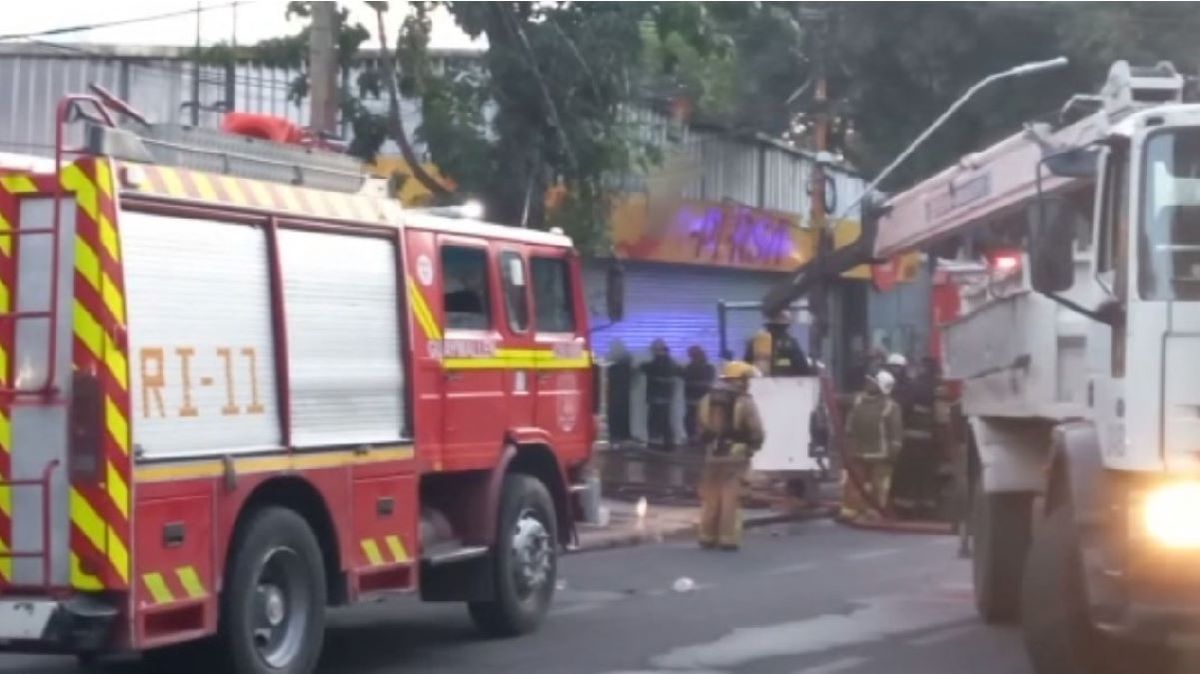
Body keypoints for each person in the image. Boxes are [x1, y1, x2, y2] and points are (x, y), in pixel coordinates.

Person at [696, 361, 765, 550]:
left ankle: (707, 536)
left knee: (711, 497)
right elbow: (756, 431)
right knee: (730, 498)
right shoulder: (744, 401)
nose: (748, 383)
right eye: (747, 380)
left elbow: (700, 429)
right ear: (740, 380)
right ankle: (727, 538)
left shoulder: (706, 400)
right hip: (735, 457)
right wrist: (753, 446)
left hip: (711, 455)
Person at [841, 370, 904, 521]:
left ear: (881, 386)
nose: (868, 384)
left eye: (873, 382)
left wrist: (893, 454)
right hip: (858, 453)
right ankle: (851, 511)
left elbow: (896, 435)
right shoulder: (857, 399)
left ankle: (875, 512)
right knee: (853, 484)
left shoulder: (891, 406)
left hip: (881, 456)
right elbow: (838, 401)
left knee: (880, 487)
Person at [640, 339, 682, 451]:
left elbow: (645, 368)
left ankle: (654, 444)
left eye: (653, 350)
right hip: (667, 397)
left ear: (657, 350)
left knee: (655, 421)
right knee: (665, 421)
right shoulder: (672, 362)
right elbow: (680, 372)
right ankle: (669, 443)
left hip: (656, 398)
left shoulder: (657, 363)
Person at [744, 310, 813, 376]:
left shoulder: (755, 340)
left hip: (758, 383)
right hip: (786, 385)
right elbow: (803, 368)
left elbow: (746, 366)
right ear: (786, 325)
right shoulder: (790, 343)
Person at [682, 346, 716, 446]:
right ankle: (703, 439)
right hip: (704, 399)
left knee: (691, 418)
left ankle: (693, 438)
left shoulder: (690, 368)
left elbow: (687, 380)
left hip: (693, 399)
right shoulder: (710, 368)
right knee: (701, 419)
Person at [605, 340, 633, 444]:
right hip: (624, 396)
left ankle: (615, 437)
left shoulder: (613, 368)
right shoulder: (628, 366)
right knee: (624, 415)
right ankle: (623, 436)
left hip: (616, 396)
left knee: (615, 416)